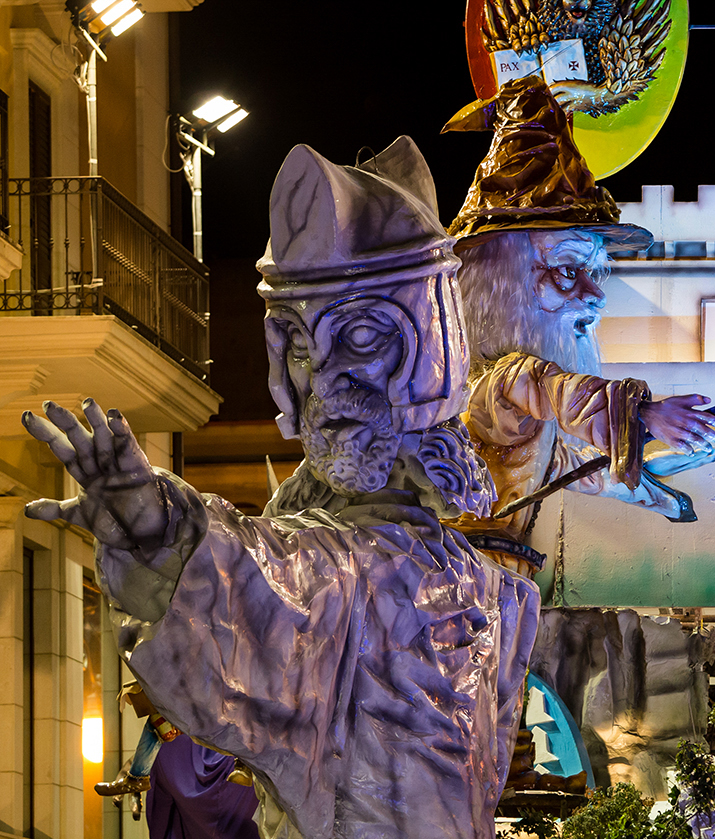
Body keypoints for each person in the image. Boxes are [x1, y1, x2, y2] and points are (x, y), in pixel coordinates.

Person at [22, 137, 537, 839]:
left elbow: (274, 579)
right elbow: (271, 573)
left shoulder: (471, 587)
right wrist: (159, 529)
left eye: (359, 337)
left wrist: (162, 533)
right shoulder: (358, 568)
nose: (322, 377)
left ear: (425, 352)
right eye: (299, 343)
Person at [443, 76, 715, 578]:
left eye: (593, 273)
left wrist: (650, 474)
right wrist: (641, 415)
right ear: (501, 285)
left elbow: (576, 469)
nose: (595, 295)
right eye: (569, 270)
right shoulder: (499, 388)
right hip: (460, 583)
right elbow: (557, 390)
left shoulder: (517, 423)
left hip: (492, 580)